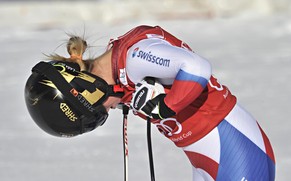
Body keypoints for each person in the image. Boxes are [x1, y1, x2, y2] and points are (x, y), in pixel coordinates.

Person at [25, 25, 275, 180]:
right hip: (206, 158)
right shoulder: (120, 74)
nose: (110, 109)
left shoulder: (133, 58)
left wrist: (167, 106)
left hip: (237, 150)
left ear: (85, 87)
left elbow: (197, 67)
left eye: (101, 110)